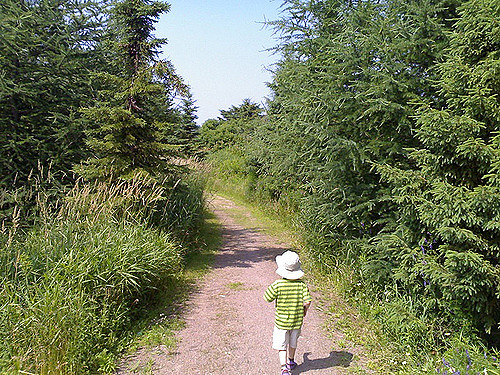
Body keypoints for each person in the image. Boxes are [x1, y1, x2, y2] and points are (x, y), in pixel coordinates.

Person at [264, 250, 312, 375]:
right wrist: (304, 311)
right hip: (296, 321)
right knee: (292, 343)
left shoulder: (278, 284)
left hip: (281, 322)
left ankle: (284, 368)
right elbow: (307, 302)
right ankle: (291, 361)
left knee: (281, 345)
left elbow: (267, 297)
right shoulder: (302, 285)